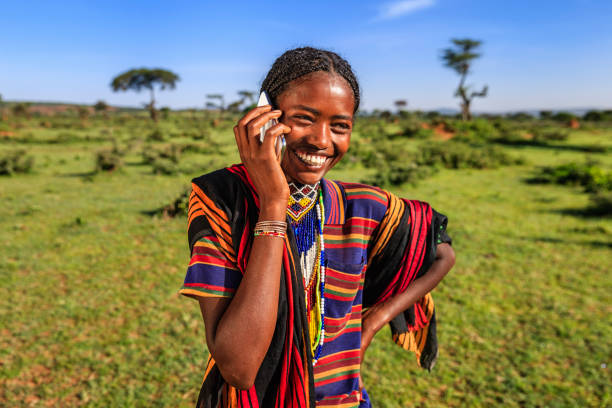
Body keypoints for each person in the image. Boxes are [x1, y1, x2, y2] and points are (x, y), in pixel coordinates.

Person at [180, 47, 455, 408]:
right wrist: (274, 204)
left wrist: (373, 321)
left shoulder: (362, 206)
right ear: (265, 116)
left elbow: (442, 251)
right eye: (304, 118)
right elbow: (240, 368)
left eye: (340, 125)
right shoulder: (223, 201)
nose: (322, 141)